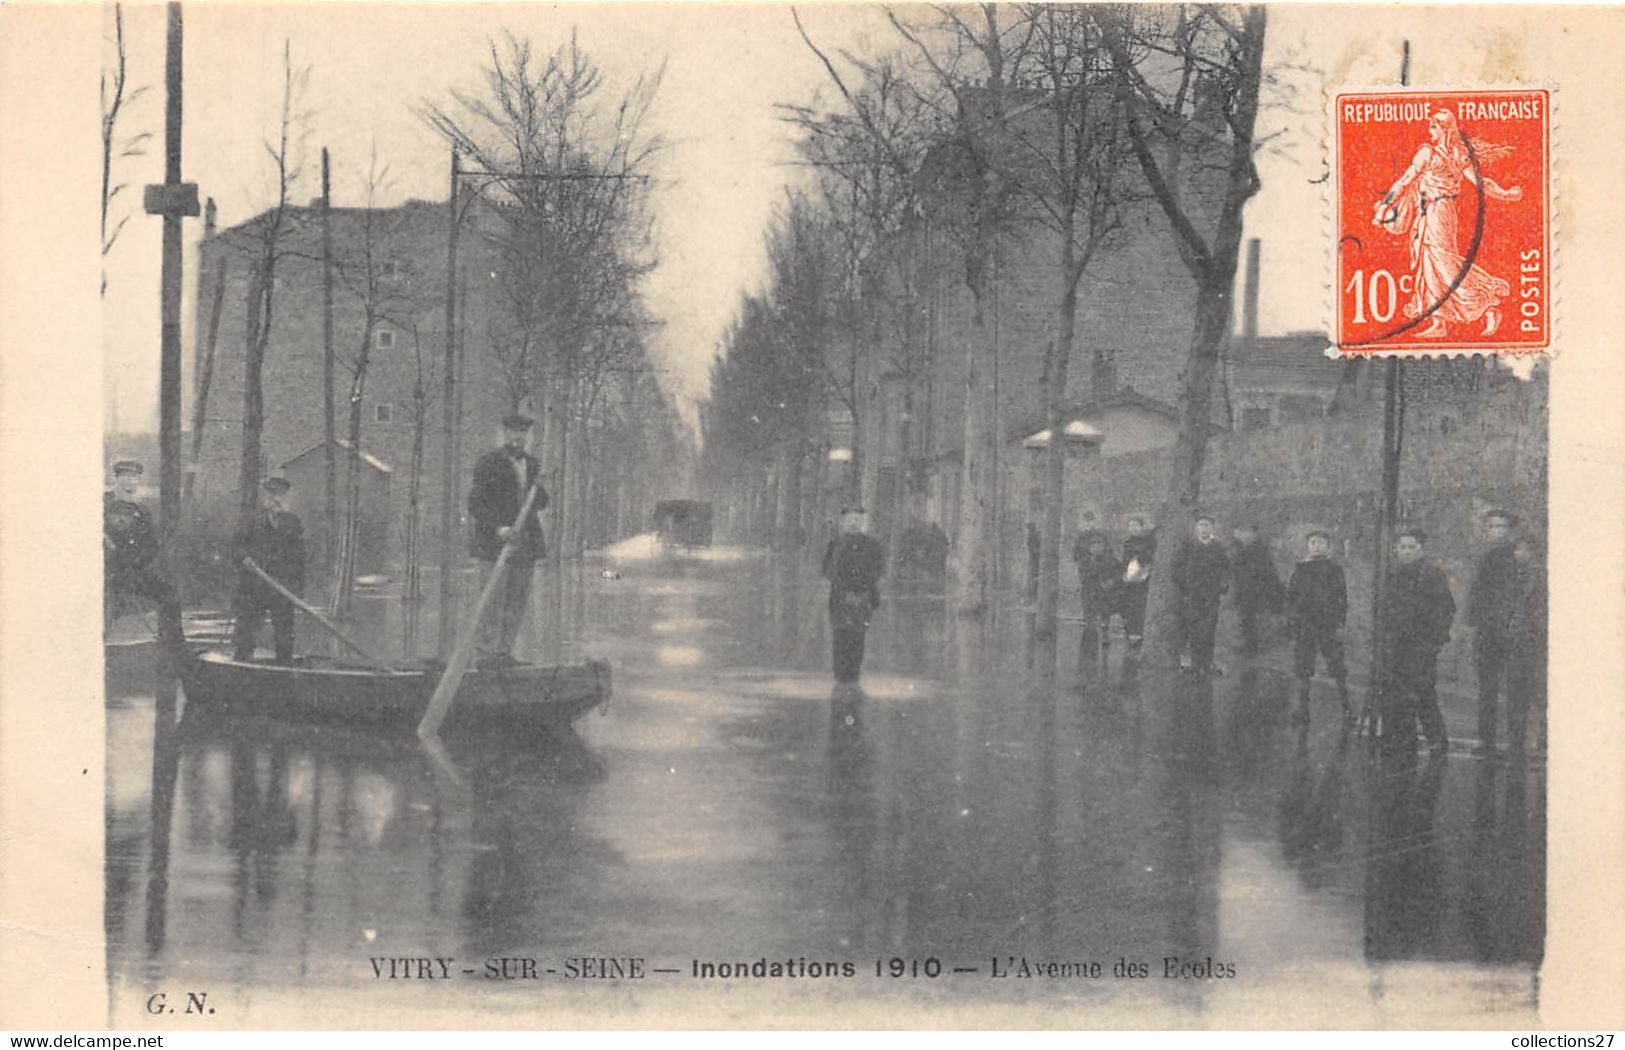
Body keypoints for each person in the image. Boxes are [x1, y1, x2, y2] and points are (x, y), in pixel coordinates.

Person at [1373, 107, 1522, 339]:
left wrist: (1505, 194)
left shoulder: (1449, 154)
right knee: (1429, 263)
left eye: (1434, 126)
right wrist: (1385, 204)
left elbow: (1480, 182)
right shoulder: (1439, 153)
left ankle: (1487, 303)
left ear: (1444, 129)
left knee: (1443, 262)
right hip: (1429, 212)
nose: (1429, 131)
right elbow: (1405, 181)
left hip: (1440, 211)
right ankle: (1439, 321)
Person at [468, 413, 549, 668]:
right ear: (504, 433)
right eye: (513, 432)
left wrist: (542, 487)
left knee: (516, 603)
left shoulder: (533, 465)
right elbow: (476, 504)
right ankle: (486, 655)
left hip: (525, 544)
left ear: (528, 436)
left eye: (523, 433)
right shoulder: (488, 463)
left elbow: (540, 503)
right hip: (495, 545)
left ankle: (503, 653)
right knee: (493, 601)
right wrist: (498, 529)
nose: (518, 437)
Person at [1379, 526, 1457, 757]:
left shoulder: (1432, 574)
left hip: (1422, 644)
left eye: (1412, 547)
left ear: (1421, 549)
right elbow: (1383, 608)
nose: (1406, 552)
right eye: (1402, 547)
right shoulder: (1391, 575)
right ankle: (1405, 739)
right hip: (1396, 643)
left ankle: (1437, 740)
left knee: (1423, 691)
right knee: (1397, 692)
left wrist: (1435, 640)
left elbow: (1446, 609)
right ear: (1395, 550)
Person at [231, 475, 306, 664]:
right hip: (253, 587)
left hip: (281, 589)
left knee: (284, 635)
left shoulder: (293, 523)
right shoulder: (252, 521)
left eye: (280, 494)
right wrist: (244, 558)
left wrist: (297, 590)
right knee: (246, 633)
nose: (276, 499)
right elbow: (235, 546)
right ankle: (241, 669)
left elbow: (300, 558)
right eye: (272, 494)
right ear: (265, 496)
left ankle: (283, 672)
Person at [1466, 509, 1519, 754]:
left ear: (1510, 531)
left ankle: (1515, 741)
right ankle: (1486, 740)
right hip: (1487, 633)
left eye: (1501, 526)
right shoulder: (1485, 557)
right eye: (1491, 527)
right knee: (1487, 687)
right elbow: (1477, 596)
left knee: (1516, 688)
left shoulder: (1515, 559)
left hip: (1509, 632)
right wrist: (1473, 627)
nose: (1496, 531)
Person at [1286, 530, 1350, 723]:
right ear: (1308, 546)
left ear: (1328, 547)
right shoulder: (1300, 569)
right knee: (1303, 667)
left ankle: (1347, 709)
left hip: (1327, 625)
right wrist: (1292, 620)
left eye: (1321, 543)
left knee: (1337, 667)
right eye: (1313, 542)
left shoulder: (1334, 570)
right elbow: (1291, 596)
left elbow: (1341, 598)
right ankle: (1303, 709)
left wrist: (1340, 623)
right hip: (1305, 624)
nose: (1316, 546)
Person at [104, 459, 173, 632]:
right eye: (125, 476)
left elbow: (151, 544)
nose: (129, 480)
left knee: (168, 594)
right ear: (117, 478)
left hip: (132, 570)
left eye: (134, 477)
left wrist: (138, 562)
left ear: (139, 479)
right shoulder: (104, 503)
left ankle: (169, 644)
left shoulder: (142, 510)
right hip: (106, 570)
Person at [822, 505, 885, 686]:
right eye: (850, 520)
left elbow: (877, 570)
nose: (854, 523)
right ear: (843, 523)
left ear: (864, 522)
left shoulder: (872, 545)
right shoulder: (835, 544)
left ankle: (853, 676)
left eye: (858, 520)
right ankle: (840, 677)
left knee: (858, 637)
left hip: (863, 599)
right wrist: (845, 591)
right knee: (840, 636)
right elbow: (827, 570)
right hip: (840, 599)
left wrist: (861, 591)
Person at [1172, 513, 1231, 674]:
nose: (1204, 528)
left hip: (1211, 593)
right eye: (1201, 525)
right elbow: (1176, 567)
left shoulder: (1217, 546)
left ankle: (1208, 661)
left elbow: (1226, 567)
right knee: (1194, 626)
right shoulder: (1189, 545)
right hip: (1193, 592)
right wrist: (1185, 586)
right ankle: (1195, 661)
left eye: (1207, 525)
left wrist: (1223, 585)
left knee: (1210, 626)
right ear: (1196, 527)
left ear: (1212, 528)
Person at [1504, 534, 1547, 757]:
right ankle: (1516, 745)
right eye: (1517, 549)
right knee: (1516, 694)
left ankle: (1542, 742)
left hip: (1535, 642)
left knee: (1539, 694)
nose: (1519, 554)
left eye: (1524, 550)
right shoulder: (1514, 576)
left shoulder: (1540, 577)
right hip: (1517, 642)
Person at [1229, 522, 1284, 655]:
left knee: (1255, 620)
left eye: (1248, 532)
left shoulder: (1260, 551)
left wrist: (1271, 594)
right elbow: (1236, 575)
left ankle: (1255, 646)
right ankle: (1249, 644)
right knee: (1246, 619)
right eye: (1241, 532)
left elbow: (1269, 575)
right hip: (1244, 591)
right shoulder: (1238, 551)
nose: (1244, 535)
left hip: (1258, 591)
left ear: (1254, 534)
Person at [1071, 528, 1122, 664]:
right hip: (1089, 592)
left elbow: (1119, 571)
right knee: (1089, 616)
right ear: (1089, 548)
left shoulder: (1110, 559)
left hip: (1104, 593)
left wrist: (1111, 581)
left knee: (1105, 613)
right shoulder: (1085, 561)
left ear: (1104, 546)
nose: (1096, 548)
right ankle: (1089, 648)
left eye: (1099, 545)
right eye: (1093, 545)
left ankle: (1105, 632)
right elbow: (1084, 576)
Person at [1120, 515, 1157, 653]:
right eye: (1131, 526)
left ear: (1141, 527)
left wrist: (1140, 562)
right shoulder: (1128, 543)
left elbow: (1149, 558)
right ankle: (1131, 635)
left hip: (1143, 578)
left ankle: (1140, 635)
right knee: (1130, 606)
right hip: (1130, 579)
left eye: (1136, 525)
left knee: (1141, 605)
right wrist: (1126, 572)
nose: (1133, 528)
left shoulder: (1148, 542)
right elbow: (1125, 560)